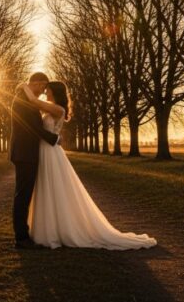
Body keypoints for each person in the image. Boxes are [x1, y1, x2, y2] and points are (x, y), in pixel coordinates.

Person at [20, 80, 157, 250]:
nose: (45, 93)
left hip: (50, 153)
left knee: (53, 188)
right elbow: (32, 108)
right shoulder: (51, 106)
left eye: (47, 91)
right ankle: (48, 229)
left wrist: (23, 85)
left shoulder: (58, 109)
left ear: (55, 93)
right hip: (45, 150)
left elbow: (33, 101)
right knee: (46, 188)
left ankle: (56, 230)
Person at [9, 72, 60, 249]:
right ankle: (21, 238)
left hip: (26, 152)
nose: (44, 91)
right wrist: (54, 139)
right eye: (43, 87)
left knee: (24, 194)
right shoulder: (23, 99)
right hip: (24, 153)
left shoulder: (25, 97)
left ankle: (22, 235)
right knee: (23, 195)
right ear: (37, 83)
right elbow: (32, 127)